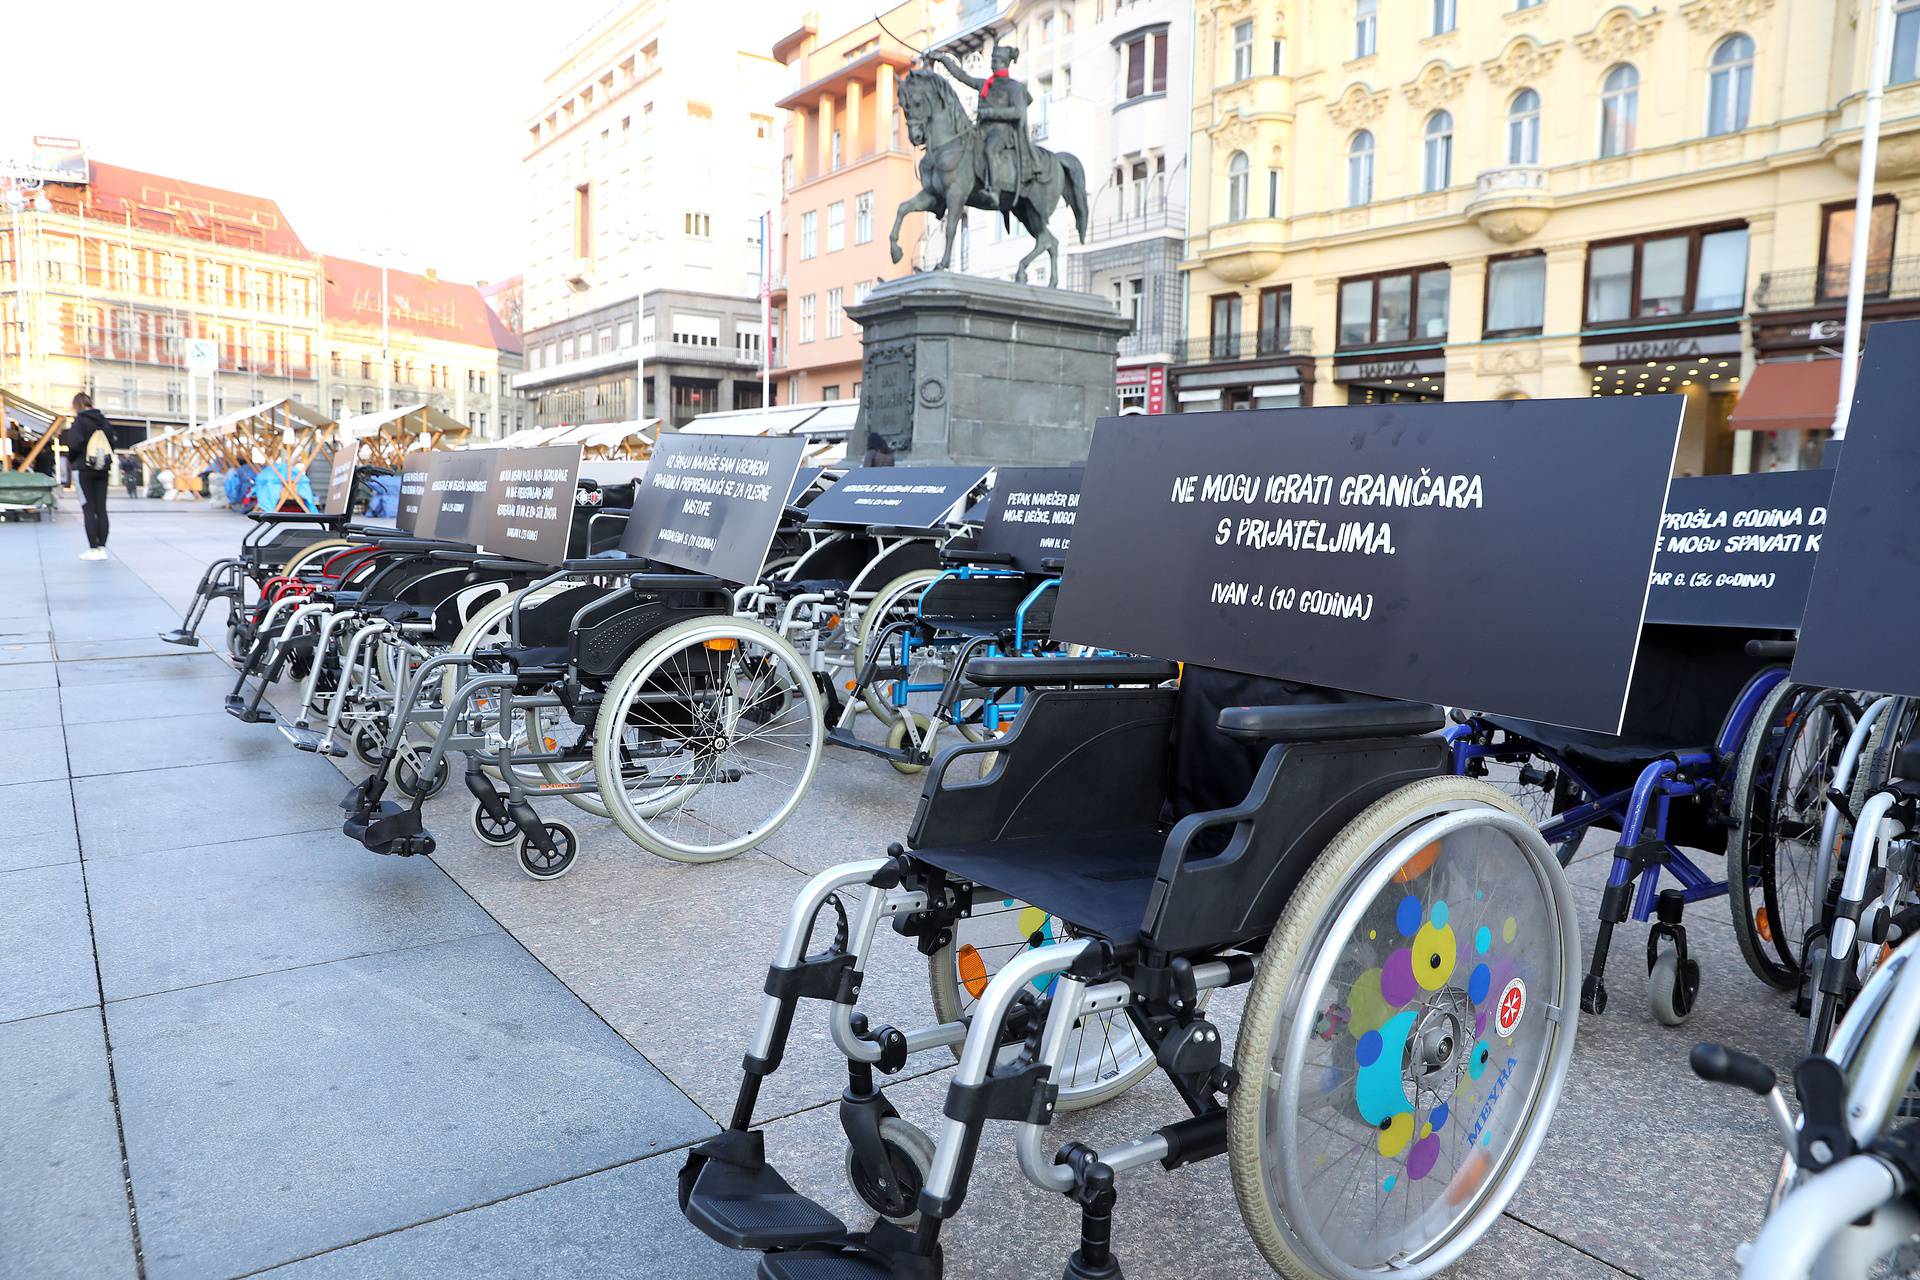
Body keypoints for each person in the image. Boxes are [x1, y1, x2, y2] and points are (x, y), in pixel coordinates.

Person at [930, 44, 1042, 210]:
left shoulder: (1014, 87)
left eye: (995, 61)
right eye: (992, 61)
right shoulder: (985, 84)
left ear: (1004, 63)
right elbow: (962, 76)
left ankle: (994, 190)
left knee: (990, 149)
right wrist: (944, 59)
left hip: (1003, 131)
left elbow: (1018, 112)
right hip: (982, 130)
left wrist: (990, 112)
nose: (992, 64)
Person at [63, 393, 114, 559]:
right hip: (102, 469)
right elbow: (112, 443)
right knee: (101, 509)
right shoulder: (104, 420)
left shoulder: (79, 421)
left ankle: (93, 549)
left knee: (88, 509)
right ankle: (102, 548)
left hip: (83, 469)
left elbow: (74, 444)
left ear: (76, 405)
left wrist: (72, 460)